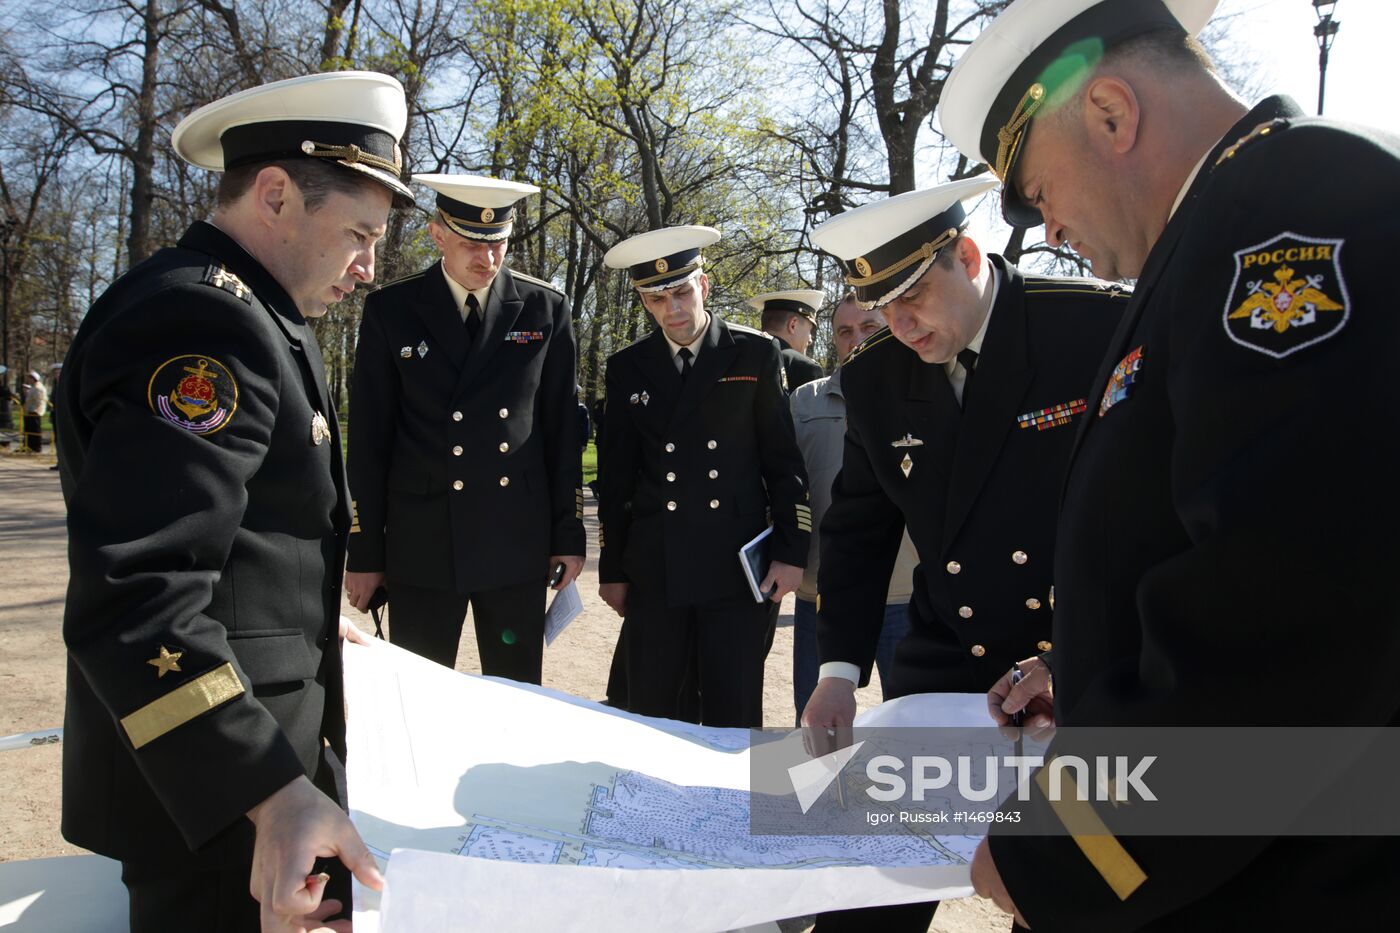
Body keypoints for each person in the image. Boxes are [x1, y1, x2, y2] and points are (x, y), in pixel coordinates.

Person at [938, 0, 1400, 928]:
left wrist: (1062, 853)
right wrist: (1090, 666)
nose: (1052, 231)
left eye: (1041, 191)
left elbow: (1283, 631)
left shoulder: (1292, 210)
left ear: (1111, 113)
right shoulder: (1221, 228)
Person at [55, 71, 410, 933]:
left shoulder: (258, 317)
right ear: (278, 193)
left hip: (247, 785)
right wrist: (269, 789)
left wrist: (315, 612)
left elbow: (245, 540)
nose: (366, 269)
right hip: (222, 809)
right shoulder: (204, 323)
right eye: (359, 234)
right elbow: (139, 596)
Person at [802, 177, 1127, 932]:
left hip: (1077, 680)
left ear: (968, 255)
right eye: (882, 307)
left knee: (1075, 891)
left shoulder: (1089, 330)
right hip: (952, 671)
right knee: (869, 888)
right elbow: (856, 532)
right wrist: (837, 673)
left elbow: (1144, 518)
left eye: (912, 297)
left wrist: (1076, 657)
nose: (899, 324)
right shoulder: (877, 378)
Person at [344, 173, 585, 683]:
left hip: (514, 539)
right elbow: (368, 442)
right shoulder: (392, 310)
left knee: (517, 694)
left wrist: (569, 535)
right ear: (437, 234)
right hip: (424, 541)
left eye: (498, 243)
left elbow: (563, 433)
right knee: (421, 694)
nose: (488, 258)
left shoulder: (544, 309)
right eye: (473, 243)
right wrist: (365, 551)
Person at [597, 226, 810, 727]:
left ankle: (736, 804)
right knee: (652, 707)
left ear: (705, 286)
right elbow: (617, 478)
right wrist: (612, 566)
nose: (673, 308)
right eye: (657, 298)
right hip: (656, 566)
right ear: (644, 302)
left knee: (732, 709)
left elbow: (783, 462)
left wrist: (790, 551)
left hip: (733, 567)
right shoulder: (627, 367)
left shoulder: (755, 353)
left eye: (681, 291)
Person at [788, 291, 918, 724]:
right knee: (816, 723)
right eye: (844, 331)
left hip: (907, 593)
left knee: (912, 723)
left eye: (869, 327)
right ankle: (819, 794)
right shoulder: (804, 402)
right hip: (820, 591)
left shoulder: (924, 397)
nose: (856, 339)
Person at [753, 288, 825, 391]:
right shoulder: (804, 368)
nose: (810, 340)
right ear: (793, 325)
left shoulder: (737, 354)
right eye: (809, 331)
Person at [21, 370, 47, 452]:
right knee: (29, 430)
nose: (28, 380)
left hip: (35, 412)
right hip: (30, 412)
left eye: (29, 378)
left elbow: (39, 401)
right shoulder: (33, 387)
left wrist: (35, 410)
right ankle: (29, 446)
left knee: (35, 430)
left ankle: (36, 447)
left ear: (33, 379)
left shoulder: (38, 388)